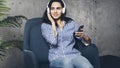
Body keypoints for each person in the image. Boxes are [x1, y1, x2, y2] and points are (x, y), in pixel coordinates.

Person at [41, 0, 94, 68]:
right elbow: (53, 42)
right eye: (52, 8)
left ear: (63, 10)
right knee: (67, 64)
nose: (55, 11)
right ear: (49, 10)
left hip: (74, 55)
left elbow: (87, 42)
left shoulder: (71, 23)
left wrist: (83, 36)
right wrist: (53, 23)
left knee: (88, 67)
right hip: (56, 58)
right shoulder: (45, 26)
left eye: (58, 8)